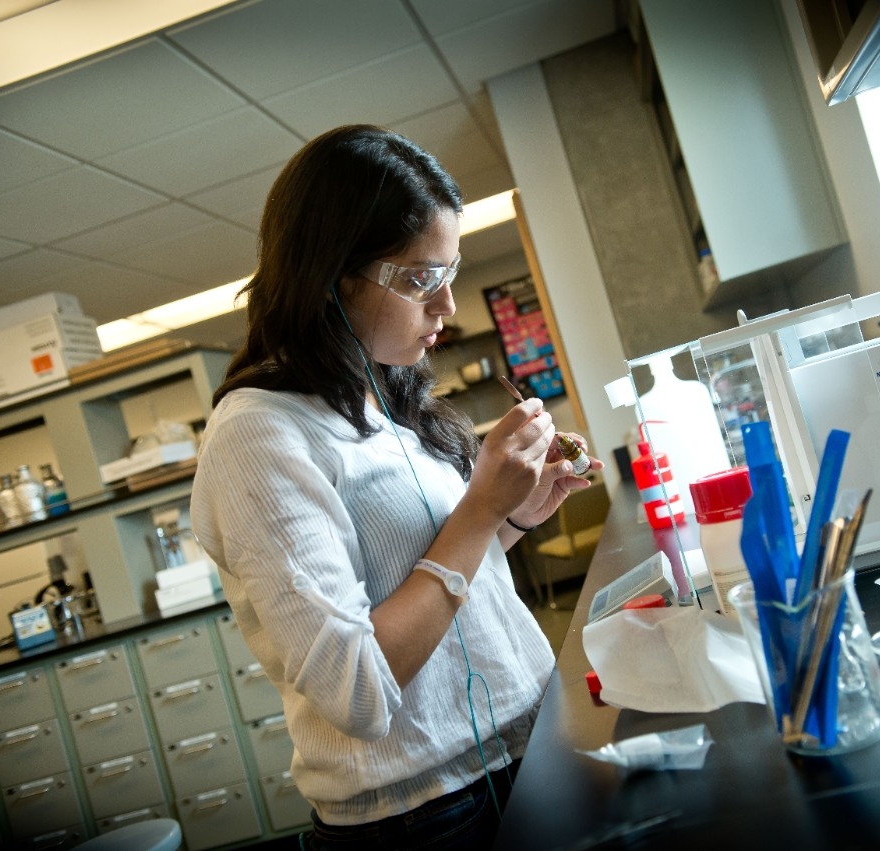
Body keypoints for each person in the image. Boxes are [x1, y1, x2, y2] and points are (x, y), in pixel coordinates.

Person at [189, 124, 604, 850]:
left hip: (529, 745)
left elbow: (429, 579)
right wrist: (479, 511)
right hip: (430, 813)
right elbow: (358, 687)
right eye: (418, 280)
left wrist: (510, 518)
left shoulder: (384, 393)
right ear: (329, 277)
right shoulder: (258, 434)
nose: (447, 306)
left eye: (450, 272)